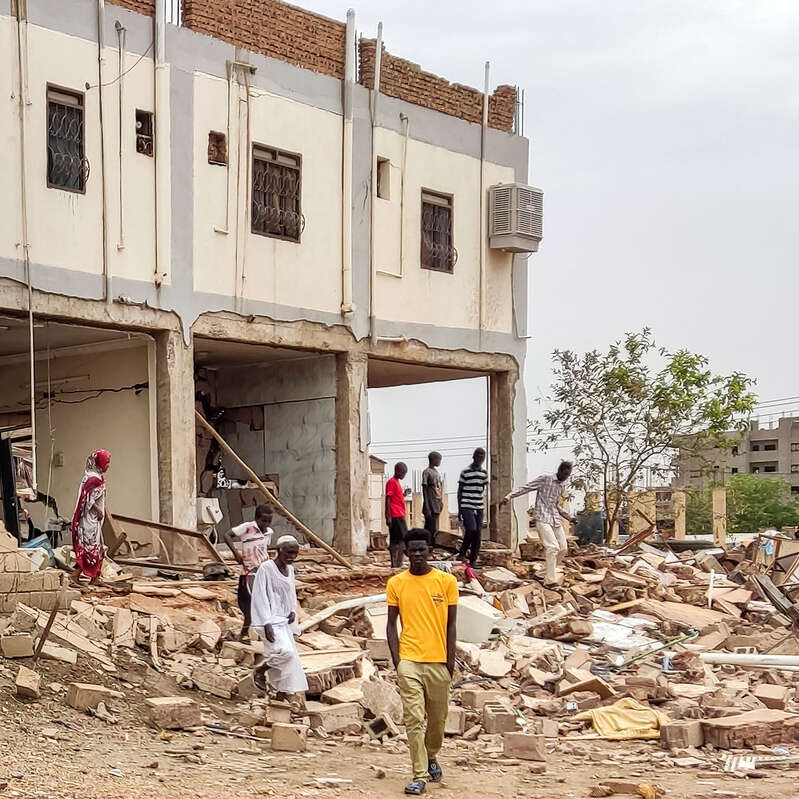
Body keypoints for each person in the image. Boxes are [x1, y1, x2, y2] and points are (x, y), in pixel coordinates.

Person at [387, 529, 458, 795]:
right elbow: (390, 626)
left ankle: (431, 755)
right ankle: (419, 775)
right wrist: (398, 661)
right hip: (409, 661)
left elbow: (452, 624)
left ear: (430, 550)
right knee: (414, 718)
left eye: (422, 549)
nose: (417, 554)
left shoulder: (446, 582)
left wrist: (450, 662)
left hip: (439, 661)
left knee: (438, 721)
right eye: (412, 550)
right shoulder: (397, 583)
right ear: (405, 552)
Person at [501, 460, 577, 586]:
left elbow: (556, 506)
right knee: (553, 547)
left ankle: (541, 574)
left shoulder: (561, 486)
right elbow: (526, 488)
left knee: (563, 548)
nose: (565, 478)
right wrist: (508, 497)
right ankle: (550, 581)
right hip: (542, 518)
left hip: (555, 519)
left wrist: (570, 517)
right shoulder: (545, 479)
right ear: (560, 470)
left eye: (567, 476)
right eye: (564, 475)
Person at [251, 535, 308, 701]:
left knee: (291, 663)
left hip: (284, 620)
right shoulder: (266, 568)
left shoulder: (290, 570)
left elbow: (290, 592)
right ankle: (260, 670)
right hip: (270, 620)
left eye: (295, 554)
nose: (291, 557)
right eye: (289, 553)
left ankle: (279, 698)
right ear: (279, 551)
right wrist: (266, 622)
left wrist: (292, 611)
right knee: (286, 653)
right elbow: (260, 595)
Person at [223, 504, 275, 640]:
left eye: (269, 521)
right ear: (257, 519)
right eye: (264, 520)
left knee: (263, 602)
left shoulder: (269, 532)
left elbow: (263, 550)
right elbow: (227, 535)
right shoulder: (247, 528)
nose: (266, 523)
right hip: (249, 572)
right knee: (248, 604)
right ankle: (245, 633)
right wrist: (236, 554)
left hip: (263, 571)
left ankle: (259, 633)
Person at [70, 449, 111, 586]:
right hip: (89, 522)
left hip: (92, 522)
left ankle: (95, 578)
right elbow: (88, 500)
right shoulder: (93, 479)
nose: (108, 465)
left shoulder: (92, 476)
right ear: (100, 463)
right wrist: (98, 510)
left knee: (97, 550)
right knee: (90, 551)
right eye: (107, 462)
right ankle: (75, 576)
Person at [457, 448, 488, 567]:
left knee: (478, 533)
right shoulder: (465, 472)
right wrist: (459, 509)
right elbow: (460, 491)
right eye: (478, 456)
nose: (480, 459)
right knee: (471, 529)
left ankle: (473, 560)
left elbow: (482, 489)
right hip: (466, 504)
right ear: (474, 457)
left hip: (479, 505)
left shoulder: (484, 474)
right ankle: (462, 552)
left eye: (482, 457)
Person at [386, 462, 409, 568]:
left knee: (397, 539)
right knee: (401, 539)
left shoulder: (397, 482)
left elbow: (396, 498)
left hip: (399, 513)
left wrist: (404, 494)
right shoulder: (391, 482)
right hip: (395, 515)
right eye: (403, 473)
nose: (404, 475)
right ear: (398, 471)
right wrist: (388, 515)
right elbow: (388, 499)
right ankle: (396, 563)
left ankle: (396, 563)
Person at [421, 452, 443, 539]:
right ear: (433, 459)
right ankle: (427, 544)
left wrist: (441, 501)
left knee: (435, 529)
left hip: (437, 504)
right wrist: (426, 505)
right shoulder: (427, 472)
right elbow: (424, 489)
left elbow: (438, 488)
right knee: (430, 528)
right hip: (430, 505)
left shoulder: (436, 472)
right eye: (438, 459)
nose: (439, 462)